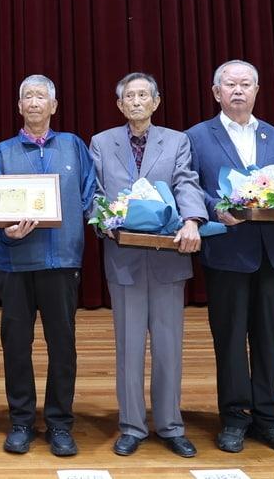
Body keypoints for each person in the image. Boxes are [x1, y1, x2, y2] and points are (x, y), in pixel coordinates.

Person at [185, 59, 274, 456]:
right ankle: (235, 416)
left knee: (268, 338)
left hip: (272, 251)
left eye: (246, 84)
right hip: (227, 250)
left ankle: (270, 418)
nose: (238, 90)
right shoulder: (197, 136)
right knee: (231, 338)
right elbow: (189, 187)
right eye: (230, 84)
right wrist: (213, 207)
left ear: (256, 90)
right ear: (216, 92)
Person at [88, 72, 205, 458]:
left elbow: (187, 182)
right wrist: (105, 217)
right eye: (129, 97)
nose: (136, 102)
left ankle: (171, 425)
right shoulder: (102, 143)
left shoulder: (176, 141)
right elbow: (96, 193)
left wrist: (192, 221)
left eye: (144, 95)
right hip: (124, 257)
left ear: (156, 102)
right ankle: (132, 426)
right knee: (129, 345)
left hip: (169, 255)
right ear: (119, 104)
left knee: (169, 346)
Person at [0, 74, 97, 458]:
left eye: (41, 96)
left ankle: (60, 423)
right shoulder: (2, 151)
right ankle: (20, 421)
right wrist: (7, 230)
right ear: (19, 107)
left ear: (54, 106)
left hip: (62, 263)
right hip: (15, 264)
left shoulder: (73, 146)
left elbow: (90, 197)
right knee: (16, 346)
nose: (34, 102)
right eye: (27, 96)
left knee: (62, 347)